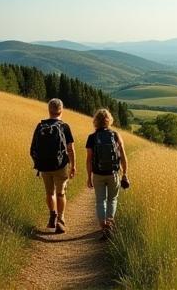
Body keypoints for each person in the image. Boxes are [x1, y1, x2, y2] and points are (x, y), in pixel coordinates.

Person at [30, 98, 76, 233]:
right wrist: (73, 166)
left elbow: (33, 148)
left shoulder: (40, 126)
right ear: (61, 110)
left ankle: (52, 215)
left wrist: (38, 163)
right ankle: (60, 220)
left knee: (49, 193)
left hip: (44, 166)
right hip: (60, 166)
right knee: (60, 193)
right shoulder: (64, 126)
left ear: (49, 110)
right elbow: (70, 149)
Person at [86, 108, 128, 240]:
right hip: (113, 173)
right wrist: (125, 173)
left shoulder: (92, 137)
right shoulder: (115, 135)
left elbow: (89, 159)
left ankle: (103, 227)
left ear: (96, 121)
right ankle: (109, 225)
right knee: (112, 200)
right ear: (109, 120)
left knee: (100, 200)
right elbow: (123, 156)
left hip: (98, 174)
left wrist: (89, 176)